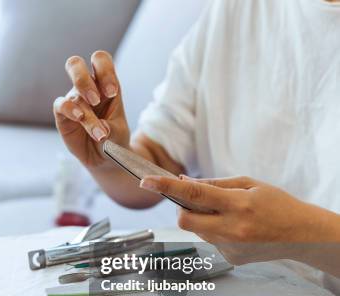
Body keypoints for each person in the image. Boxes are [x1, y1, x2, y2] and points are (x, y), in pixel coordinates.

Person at [53, 0, 340, 278]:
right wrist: (111, 155)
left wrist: (302, 235)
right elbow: (158, 158)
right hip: (240, 293)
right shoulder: (237, 8)